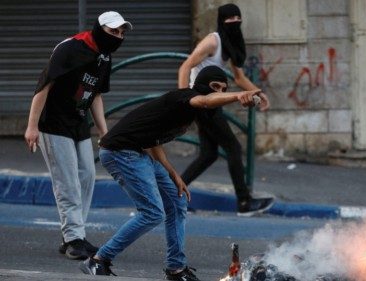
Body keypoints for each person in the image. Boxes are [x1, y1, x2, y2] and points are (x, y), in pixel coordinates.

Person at [79, 66, 263, 280]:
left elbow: (154, 140)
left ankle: (176, 268)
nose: (218, 94)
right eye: (214, 88)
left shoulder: (190, 111)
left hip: (139, 153)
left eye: (223, 89)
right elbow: (204, 100)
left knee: (177, 202)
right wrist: (239, 95)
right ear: (202, 85)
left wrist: (173, 174)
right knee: (152, 212)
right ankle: (98, 260)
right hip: (120, 153)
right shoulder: (185, 97)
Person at [24, 11, 132, 260]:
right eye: (113, 31)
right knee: (67, 181)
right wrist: (31, 126)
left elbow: (95, 94)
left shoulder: (104, 57)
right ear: (98, 29)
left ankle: (74, 235)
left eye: (121, 33)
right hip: (52, 122)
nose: (118, 36)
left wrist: (104, 131)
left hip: (78, 122)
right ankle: (74, 238)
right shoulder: (71, 48)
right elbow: (44, 86)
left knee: (87, 175)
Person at [178, 3, 274, 216]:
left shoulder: (229, 43)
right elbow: (185, 66)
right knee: (233, 147)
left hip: (211, 101)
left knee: (209, 154)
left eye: (236, 19)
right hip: (202, 102)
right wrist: (183, 98)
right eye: (229, 19)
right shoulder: (212, 41)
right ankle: (244, 202)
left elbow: (239, 78)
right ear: (221, 21)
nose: (233, 23)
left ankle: (174, 195)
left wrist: (259, 93)